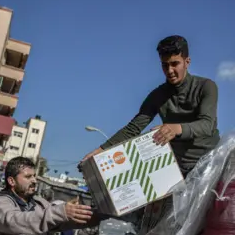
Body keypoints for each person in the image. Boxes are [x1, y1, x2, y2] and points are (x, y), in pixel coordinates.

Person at [81, 35, 220, 177]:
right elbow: (133, 128)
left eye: (174, 64)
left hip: (209, 164)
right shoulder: (157, 95)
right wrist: (99, 151)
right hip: (175, 168)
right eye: (165, 65)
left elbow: (207, 124)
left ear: (187, 62)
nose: (170, 70)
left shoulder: (206, 86)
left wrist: (175, 128)